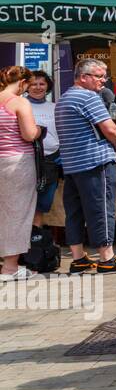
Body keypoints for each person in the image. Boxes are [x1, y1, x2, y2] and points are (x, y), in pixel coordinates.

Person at [55, 59, 116, 274]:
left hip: (73, 163)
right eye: (99, 76)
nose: (103, 81)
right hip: (95, 161)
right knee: (101, 209)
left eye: (104, 76)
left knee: (74, 212)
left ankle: (78, 257)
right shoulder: (88, 97)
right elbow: (110, 129)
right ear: (84, 77)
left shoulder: (65, 97)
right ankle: (107, 258)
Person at [0, 66, 40, 280]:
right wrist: (39, 130)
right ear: (23, 83)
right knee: (18, 212)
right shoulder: (19, 102)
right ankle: (10, 267)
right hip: (17, 162)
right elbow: (29, 134)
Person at [26, 70, 60, 248]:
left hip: (50, 161)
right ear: (26, 86)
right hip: (26, 160)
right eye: (33, 84)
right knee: (24, 202)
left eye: (42, 84)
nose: (38, 87)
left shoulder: (54, 107)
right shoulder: (22, 106)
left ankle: (34, 240)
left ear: (47, 86)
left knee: (42, 204)